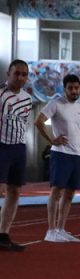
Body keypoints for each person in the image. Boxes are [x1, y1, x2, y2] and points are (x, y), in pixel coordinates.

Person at [35, 74, 80, 243]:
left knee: (70, 193)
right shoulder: (55, 103)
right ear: (64, 89)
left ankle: (61, 229)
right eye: (70, 88)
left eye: (76, 88)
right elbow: (38, 122)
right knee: (56, 191)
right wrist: (51, 141)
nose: (74, 91)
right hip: (61, 153)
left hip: (75, 155)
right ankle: (51, 230)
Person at [0, 60, 32, 252]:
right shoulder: (1, 95)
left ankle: (3, 234)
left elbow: (23, 123)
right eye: (17, 73)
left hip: (19, 147)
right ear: (8, 74)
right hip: (1, 146)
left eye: (24, 74)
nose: (20, 77)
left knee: (15, 191)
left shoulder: (27, 99)